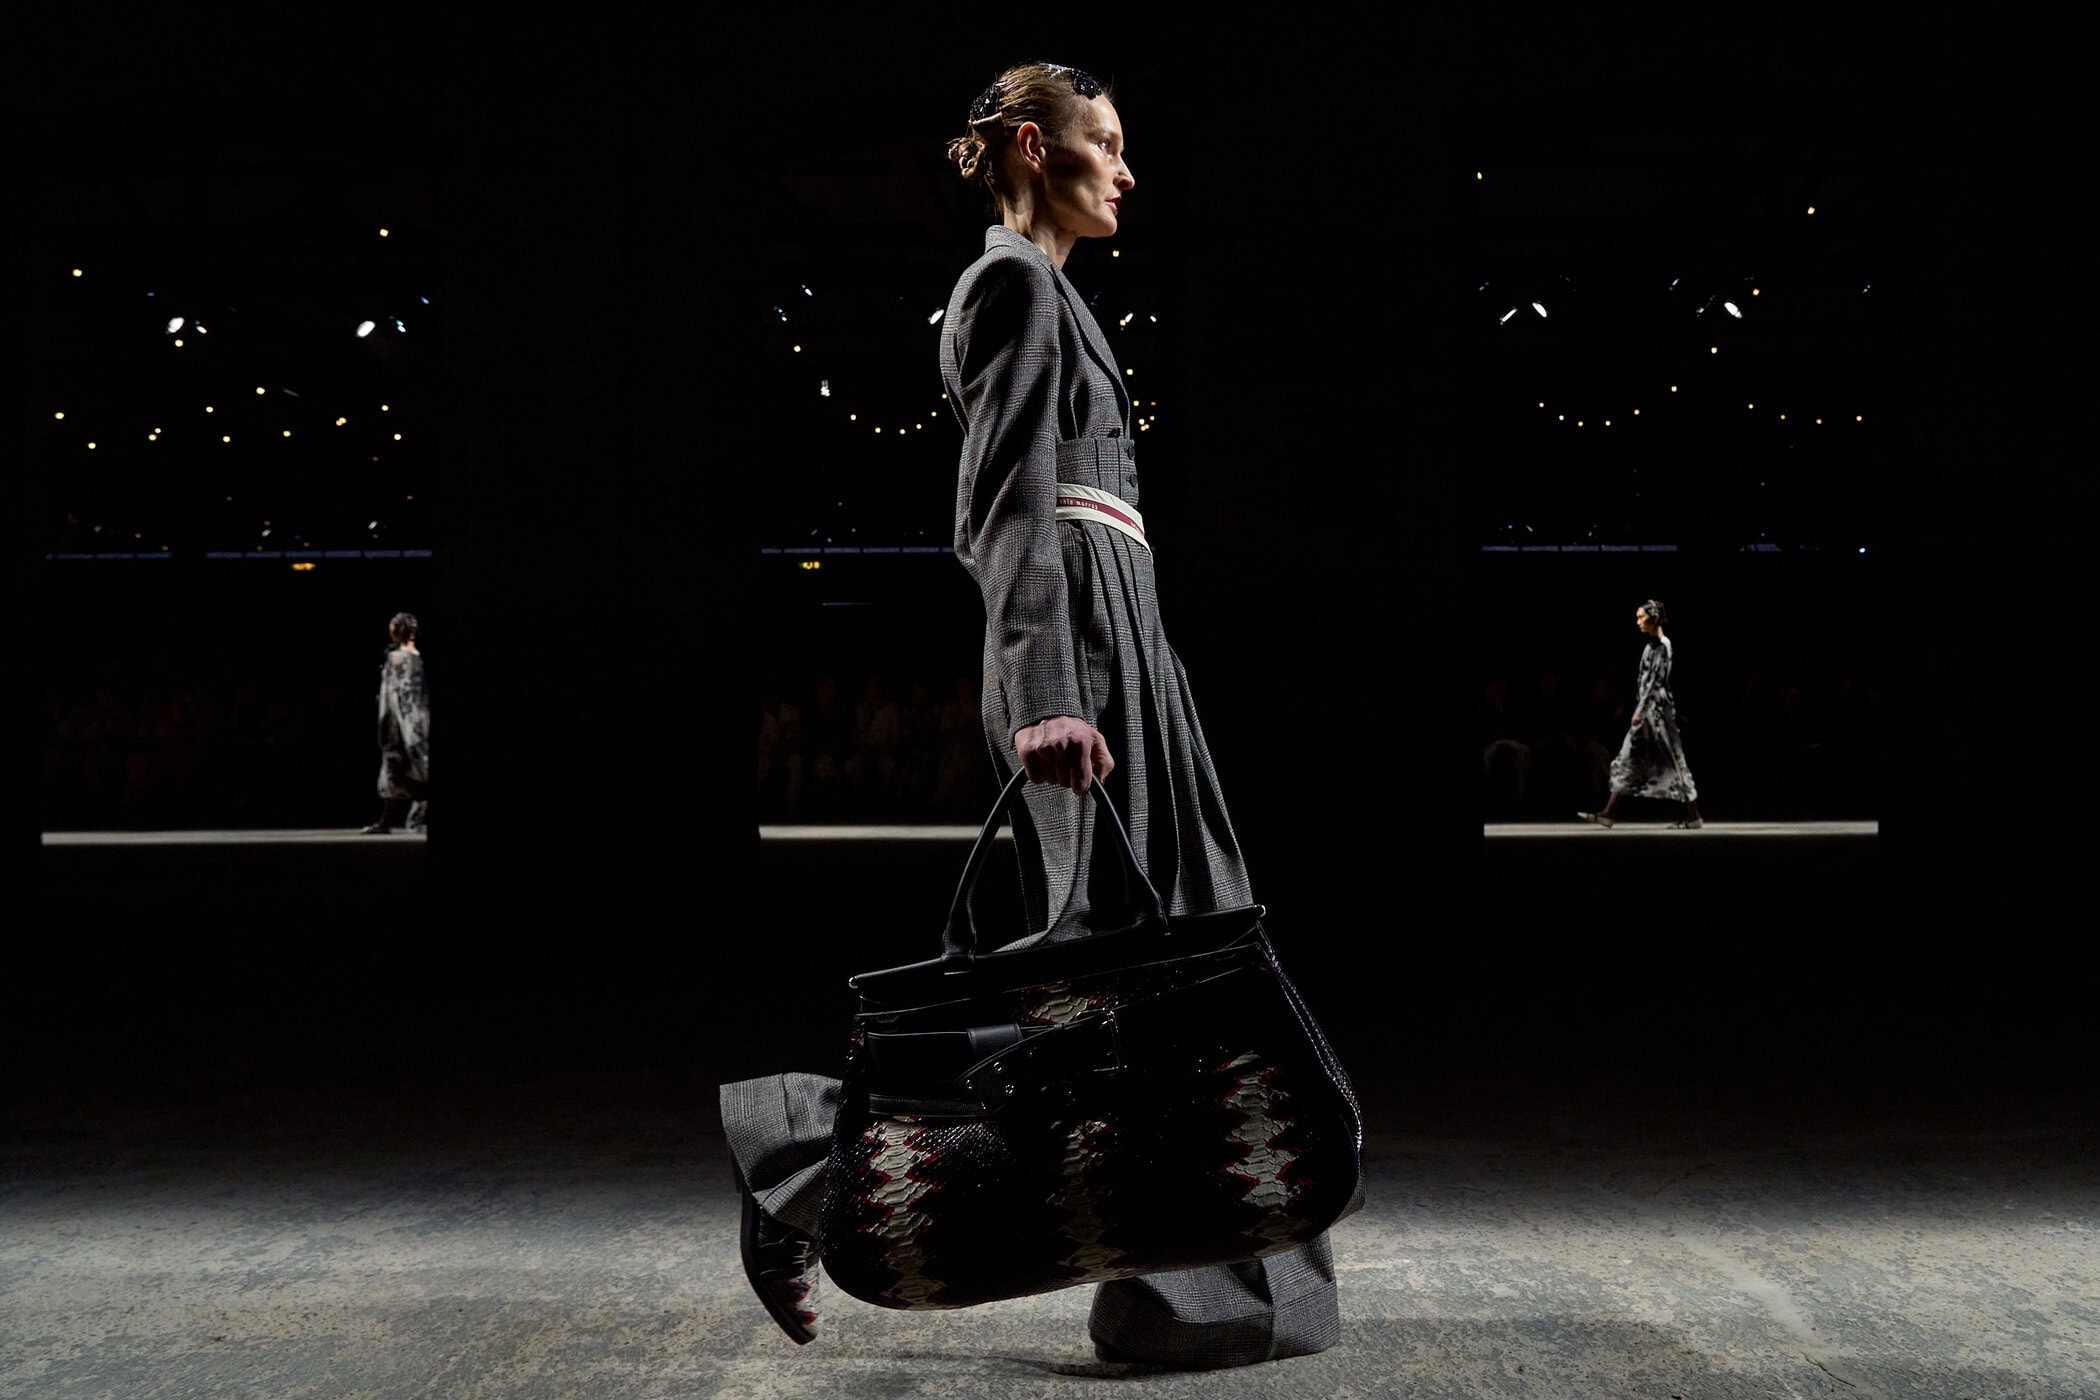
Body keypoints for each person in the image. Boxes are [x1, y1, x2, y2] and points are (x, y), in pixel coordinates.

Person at [718, 62, 1343, 1370]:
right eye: (1103, 142)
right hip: (1083, 651)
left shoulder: (1050, 292)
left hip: (1126, 637)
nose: (1126, 169)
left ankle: (1225, 1278)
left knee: (1187, 951)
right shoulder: (1008, 286)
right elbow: (1000, 507)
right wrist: (1048, 698)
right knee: (1117, 981)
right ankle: (796, 1157)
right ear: (1028, 145)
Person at [1579, 600, 1701, 828]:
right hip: (1647, 712)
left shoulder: (1663, 645)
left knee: (1674, 761)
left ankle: (1693, 815)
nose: (1638, 622)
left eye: (1641, 617)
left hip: (1659, 712)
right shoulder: (1649, 646)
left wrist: (1641, 711)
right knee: (1629, 756)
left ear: (1653, 618)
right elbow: (1643, 681)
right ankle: (1608, 813)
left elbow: (1656, 681)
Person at [363, 612, 428, 834]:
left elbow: (402, 694)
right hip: (407, 719)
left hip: (406, 720)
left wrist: (399, 725)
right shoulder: (408, 657)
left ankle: (404, 818)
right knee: (402, 765)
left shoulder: (402, 658)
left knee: (411, 764)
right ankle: (391, 820)